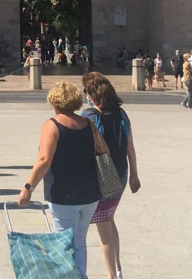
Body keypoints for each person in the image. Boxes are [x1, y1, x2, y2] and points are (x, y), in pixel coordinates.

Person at [16, 82, 102, 278]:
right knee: (79, 242)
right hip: (90, 193)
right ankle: (81, 274)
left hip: (64, 194)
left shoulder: (52, 125)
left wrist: (28, 187)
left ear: (54, 102)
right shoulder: (88, 124)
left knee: (63, 244)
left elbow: (44, 159)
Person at [82, 76, 141, 279]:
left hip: (102, 177)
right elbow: (130, 147)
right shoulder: (122, 115)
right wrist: (134, 175)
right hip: (121, 175)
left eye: (86, 93)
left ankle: (111, 276)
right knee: (109, 219)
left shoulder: (89, 117)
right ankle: (118, 267)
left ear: (93, 95)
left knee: (103, 227)